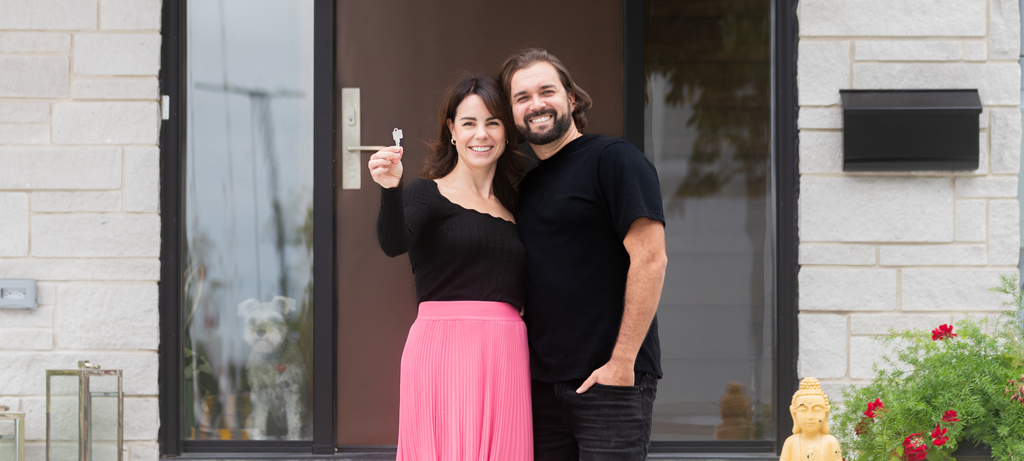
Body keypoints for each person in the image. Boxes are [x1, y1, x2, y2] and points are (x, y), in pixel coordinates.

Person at [498, 48, 668, 460]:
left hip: (608, 381)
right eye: (522, 98)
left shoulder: (614, 160)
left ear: (571, 99)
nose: (536, 104)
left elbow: (650, 259)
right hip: (541, 389)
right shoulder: (527, 187)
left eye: (546, 91)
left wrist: (621, 362)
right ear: (513, 114)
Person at [367, 73, 532, 460]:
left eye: (493, 122)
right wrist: (390, 190)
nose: (482, 134)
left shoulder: (517, 205)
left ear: (506, 132)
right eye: (469, 122)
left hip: (506, 351)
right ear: (452, 130)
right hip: (444, 350)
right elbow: (393, 243)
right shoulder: (428, 193)